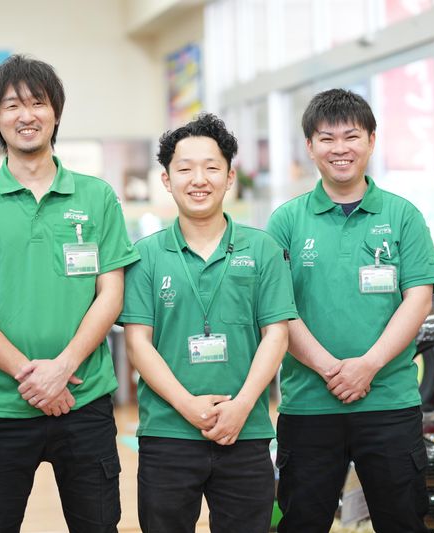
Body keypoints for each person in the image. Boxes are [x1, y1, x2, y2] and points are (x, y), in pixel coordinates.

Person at [0, 54, 138, 532]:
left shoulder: (97, 197)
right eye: (12, 106)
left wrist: (62, 369)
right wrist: (33, 377)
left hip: (84, 403)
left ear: (56, 113)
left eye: (38, 103)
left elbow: (111, 294)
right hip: (0, 405)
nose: (26, 115)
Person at [266, 88, 434, 533]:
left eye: (351, 136)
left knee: (402, 522)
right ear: (310, 146)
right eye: (327, 138)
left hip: (389, 401)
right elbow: (278, 310)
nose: (340, 148)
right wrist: (331, 369)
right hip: (308, 406)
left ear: (371, 141)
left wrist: (368, 366)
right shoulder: (286, 221)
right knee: (301, 522)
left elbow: (418, 298)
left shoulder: (403, 216)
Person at [119, 113, 297, 533]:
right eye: (185, 169)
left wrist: (241, 407)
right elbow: (138, 344)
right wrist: (189, 406)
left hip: (245, 431)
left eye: (211, 167)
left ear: (230, 176)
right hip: (167, 433)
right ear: (167, 180)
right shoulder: (144, 256)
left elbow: (276, 334)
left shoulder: (263, 249)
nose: (199, 180)